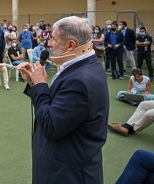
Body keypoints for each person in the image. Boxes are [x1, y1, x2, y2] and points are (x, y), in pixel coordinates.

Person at [17, 16, 109, 183]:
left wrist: (40, 86)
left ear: (71, 45)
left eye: (53, 38)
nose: (49, 43)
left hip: (67, 172)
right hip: (63, 164)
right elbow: (57, 106)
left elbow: (51, 126)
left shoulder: (79, 79)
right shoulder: (84, 64)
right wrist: (33, 83)